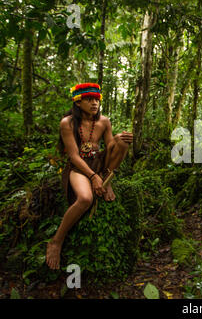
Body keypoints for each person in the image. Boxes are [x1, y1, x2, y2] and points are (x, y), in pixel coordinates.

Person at [46, 83, 133, 270]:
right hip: (79, 168)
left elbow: (110, 148)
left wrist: (120, 139)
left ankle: (107, 181)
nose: (94, 103)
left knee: (122, 142)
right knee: (85, 198)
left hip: (100, 164)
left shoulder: (104, 121)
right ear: (78, 102)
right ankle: (56, 241)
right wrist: (93, 177)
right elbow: (74, 156)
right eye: (89, 99)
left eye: (96, 99)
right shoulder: (67, 123)